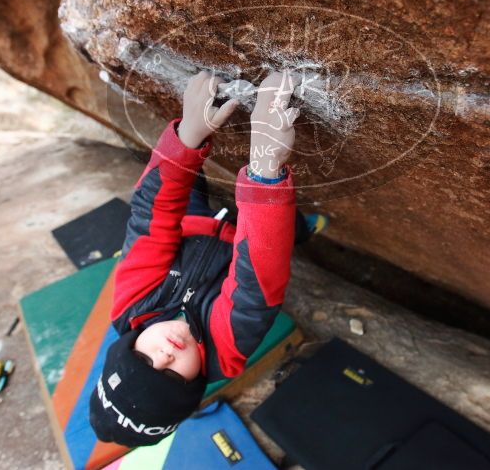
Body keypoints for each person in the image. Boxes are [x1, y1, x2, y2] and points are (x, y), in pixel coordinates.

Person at [89, 70, 325, 447]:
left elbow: (151, 217)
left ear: (128, 347)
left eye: (144, 361)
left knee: (182, 180)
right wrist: (265, 170)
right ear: (196, 384)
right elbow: (257, 275)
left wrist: (186, 139)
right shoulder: (226, 350)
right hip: (240, 249)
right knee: (285, 229)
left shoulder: (131, 305)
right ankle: (307, 226)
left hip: (192, 225)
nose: (164, 356)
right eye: (170, 376)